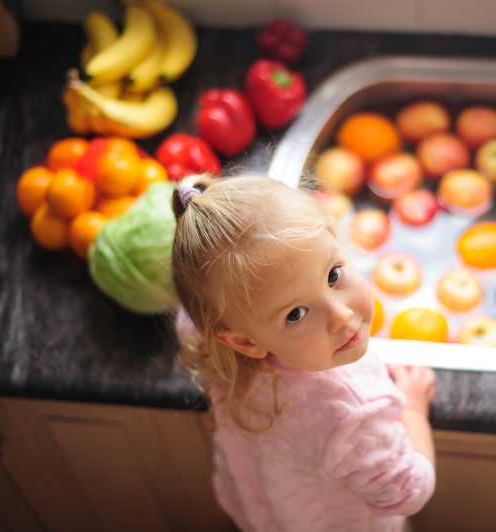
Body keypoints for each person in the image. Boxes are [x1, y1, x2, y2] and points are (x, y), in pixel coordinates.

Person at [171, 174, 437, 532]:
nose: (342, 317)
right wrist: (413, 408)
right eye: (295, 314)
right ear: (244, 342)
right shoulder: (353, 408)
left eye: (333, 275)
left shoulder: (207, 333)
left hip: (262, 512)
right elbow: (408, 492)